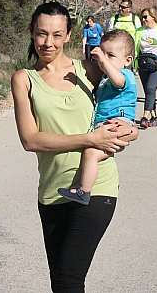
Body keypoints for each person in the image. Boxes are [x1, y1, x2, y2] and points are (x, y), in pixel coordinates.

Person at [11, 1, 138, 292]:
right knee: (60, 282)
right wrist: (89, 140)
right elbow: (30, 139)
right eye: (42, 33)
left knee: (69, 280)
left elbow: (126, 102)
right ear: (32, 33)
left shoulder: (91, 71)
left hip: (96, 188)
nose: (48, 42)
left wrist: (130, 132)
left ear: (68, 35)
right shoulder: (24, 79)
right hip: (52, 190)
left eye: (57, 34)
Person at [58, 29, 137, 205]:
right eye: (103, 53)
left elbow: (118, 82)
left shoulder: (125, 75)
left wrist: (102, 61)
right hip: (105, 124)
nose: (105, 59)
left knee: (91, 153)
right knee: (91, 152)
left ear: (127, 60)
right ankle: (82, 187)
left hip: (118, 122)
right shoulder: (104, 78)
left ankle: (83, 191)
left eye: (111, 55)